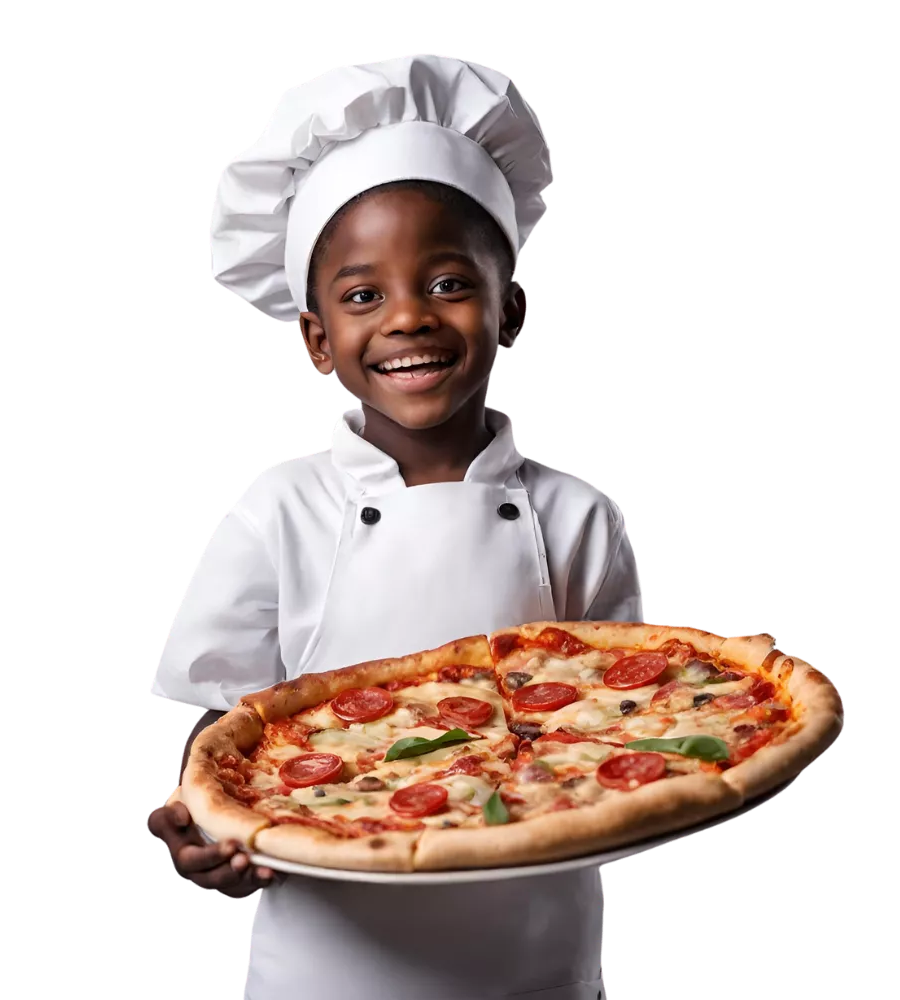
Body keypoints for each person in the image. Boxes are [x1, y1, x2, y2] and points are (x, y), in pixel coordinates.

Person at [149, 54, 641, 1000]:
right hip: (329, 962)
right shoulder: (275, 511)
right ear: (317, 340)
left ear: (513, 311)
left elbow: (610, 720)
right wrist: (201, 824)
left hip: (537, 954)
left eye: (450, 282)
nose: (409, 317)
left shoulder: (577, 515)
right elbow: (222, 733)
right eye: (363, 295)